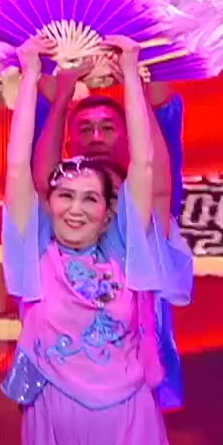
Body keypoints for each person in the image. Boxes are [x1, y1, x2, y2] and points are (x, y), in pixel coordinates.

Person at [3, 35, 194, 445]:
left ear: (110, 212)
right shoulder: (33, 256)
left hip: (128, 415)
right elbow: (20, 169)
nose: (74, 208)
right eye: (64, 196)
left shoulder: (132, 259)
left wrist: (131, 70)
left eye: (89, 199)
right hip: (53, 414)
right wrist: (34, 74)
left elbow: (149, 172)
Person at [33, 62, 188, 412]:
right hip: (62, 382)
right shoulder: (56, 225)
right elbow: (41, 178)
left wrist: (141, 66)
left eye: (107, 128)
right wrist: (59, 88)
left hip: (134, 383)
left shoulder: (146, 224)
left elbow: (157, 175)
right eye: (85, 129)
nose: (97, 138)